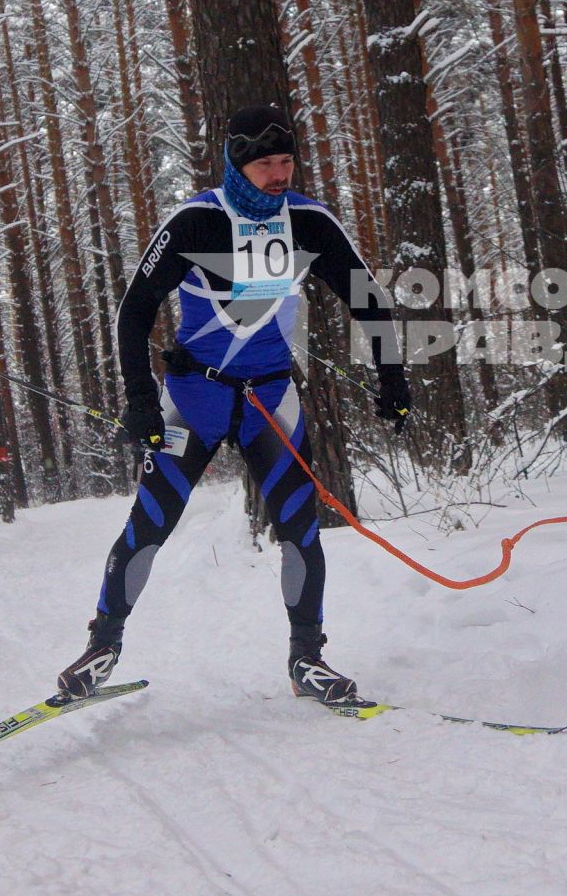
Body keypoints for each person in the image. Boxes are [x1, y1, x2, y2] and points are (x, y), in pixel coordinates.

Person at [57, 103, 411, 707]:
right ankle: (102, 645)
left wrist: (393, 379)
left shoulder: (309, 221)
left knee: (301, 528)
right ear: (236, 165)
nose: (279, 175)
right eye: (265, 165)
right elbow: (133, 311)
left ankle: (308, 659)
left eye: (286, 161)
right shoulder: (196, 220)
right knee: (151, 523)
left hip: (271, 396)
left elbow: (367, 300)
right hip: (196, 397)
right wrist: (141, 401)